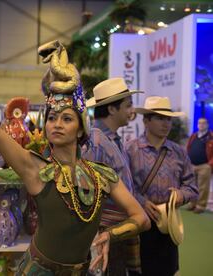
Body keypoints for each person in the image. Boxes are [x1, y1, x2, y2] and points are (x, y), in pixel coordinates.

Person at [0, 40, 150, 275]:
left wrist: (108, 235)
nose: (57, 124)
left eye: (67, 119)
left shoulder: (101, 174)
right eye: (52, 118)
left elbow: (141, 218)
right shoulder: (35, 168)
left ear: (81, 129)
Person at [125, 96, 198, 276]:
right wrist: (140, 201)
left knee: (168, 270)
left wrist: (182, 195)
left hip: (169, 226)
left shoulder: (178, 152)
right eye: (160, 118)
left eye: (168, 119)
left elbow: (192, 186)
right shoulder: (130, 149)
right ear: (146, 121)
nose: (166, 123)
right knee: (137, 271)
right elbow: (122, 185)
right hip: (139, 224)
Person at [83, 78, 143, 276]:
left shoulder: (111, 140)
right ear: (111, 110)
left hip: (115, 232)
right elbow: (87, 195)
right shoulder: (97, 142)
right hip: (104, 233)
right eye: (128, 105)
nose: (131, 111)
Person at [186, 117, 213, 214]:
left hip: (204, 166)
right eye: (199, 123)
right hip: (192, 165)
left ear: (207, 125)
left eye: (203, 123)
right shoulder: (193, 136)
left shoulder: (211, 137)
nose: (201, 125)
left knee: (203, 187)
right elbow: (188, 148)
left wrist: (209, 165)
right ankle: (193, 204)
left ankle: (200, 206)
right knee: (192, 186)